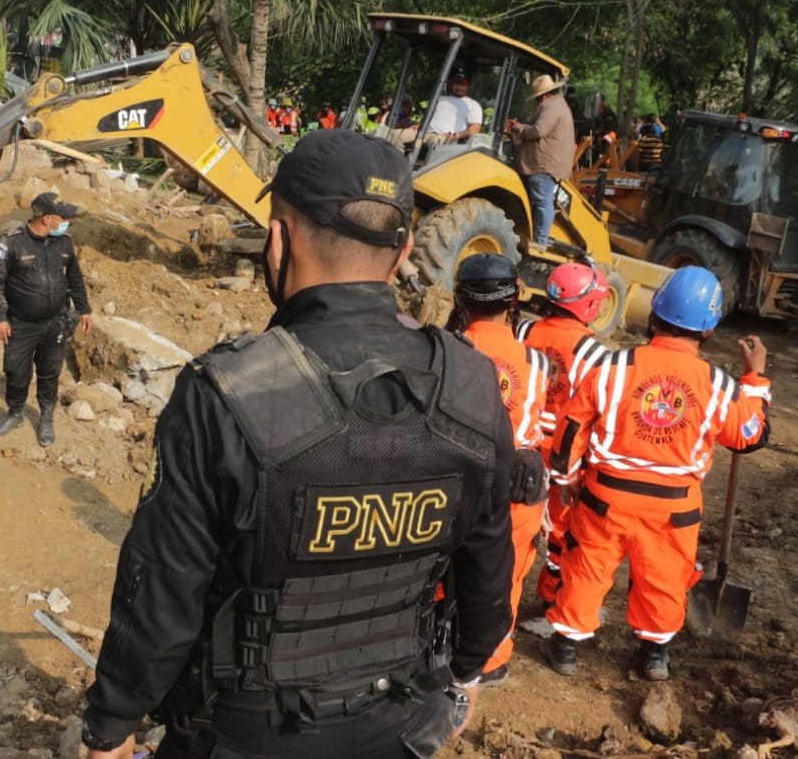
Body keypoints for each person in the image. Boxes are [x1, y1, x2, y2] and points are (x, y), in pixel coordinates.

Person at [80, 129, 515, 759]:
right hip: (400, 722)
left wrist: (112, 722)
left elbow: (164, 586)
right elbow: (487, 556)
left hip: (241, 732)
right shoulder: (471, 384)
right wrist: (467, 668)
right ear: (404, 252)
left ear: (278, 239)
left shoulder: (225, 392)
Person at [544, 266, 770, 681]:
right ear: (708, 330)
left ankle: (566, 647)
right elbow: (750, 435)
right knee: (664, 578)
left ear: (653, 315)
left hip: (604, 498)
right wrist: (754, 379)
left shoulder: (612, 367)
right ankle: (654, 655)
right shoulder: (719, 385)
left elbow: (571, 427)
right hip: (674, 510)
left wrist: (567, 478)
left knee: (587, 569)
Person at [451, 253, 550, 688]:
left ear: (461, 298)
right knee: (504, 575)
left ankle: (437, 650)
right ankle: (490, 660)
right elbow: (542, 426)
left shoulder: (447, 350)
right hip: (514, 488)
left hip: (454, 479)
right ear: (513, 299)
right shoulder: (537, 363)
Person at [514, 263, 611, 608]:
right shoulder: (596, 354)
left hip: (518, 445)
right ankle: (550, 595)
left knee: (509, 525)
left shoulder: (523, 330)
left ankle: (502, 588)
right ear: (591, 304)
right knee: (561, 532)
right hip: (563, 457)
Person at [0, 192, 93, 447]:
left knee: (49, 372)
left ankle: (46, 417)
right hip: (20, 324)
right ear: (47, 219)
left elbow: (75, 278)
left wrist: (84, 308)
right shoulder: (11, 242)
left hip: (55, 322)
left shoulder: (64, 243)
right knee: (16, 371)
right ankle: (14, 413)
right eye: (63, 217)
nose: (67, 221)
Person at [506, 74, 576, 248]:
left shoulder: (550, 106)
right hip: (547, 163)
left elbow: (538, 131)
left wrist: (518, 128)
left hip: (542, 163)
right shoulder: (557, 105)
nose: (537, 101)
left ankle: (540, 244)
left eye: (537, 98)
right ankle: (538, 240)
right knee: (542, 201)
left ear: (543, 95)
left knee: (542, 201)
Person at [425, 62, 483, 143]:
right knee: (401, 134)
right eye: (457, 83)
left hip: (446, 138)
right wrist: (418, 126)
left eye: (462, 84)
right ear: (452, 84)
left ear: (468, 87)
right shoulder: (440, 98)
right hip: (425, 133)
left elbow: (474, 129)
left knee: (435, 141)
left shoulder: (473, 105)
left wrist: (456, 135)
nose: (459, 87)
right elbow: (428, 117)